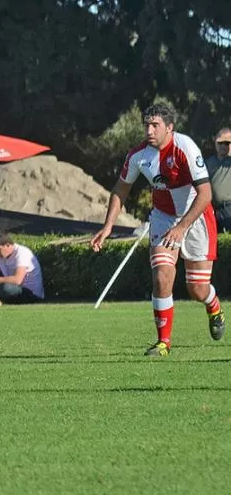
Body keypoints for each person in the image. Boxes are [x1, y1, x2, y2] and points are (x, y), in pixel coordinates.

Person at [91, 102, 224, 357]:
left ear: (169, 128)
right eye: (146, 125)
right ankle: (163, 342)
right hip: (163, 218)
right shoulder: (138, 155)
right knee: (162, 276)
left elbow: (206, 194)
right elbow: (120, 190)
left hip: (195, 218)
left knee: (197, 289)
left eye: (155, 125)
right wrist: (107, 226)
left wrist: (183, 227)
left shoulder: (185, 147)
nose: (149, 130)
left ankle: (214, 306)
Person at [0, 232, 44, 305]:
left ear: (8, 245)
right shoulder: (0, 257)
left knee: (6, 288)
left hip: (30, 293)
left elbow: (17, 280)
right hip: (11, 289)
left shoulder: (22, 253)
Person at [205, 128, 231, 233]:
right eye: (220, 143)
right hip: (213, 209)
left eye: (227, 143)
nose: (223, 146)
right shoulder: (208, 162)